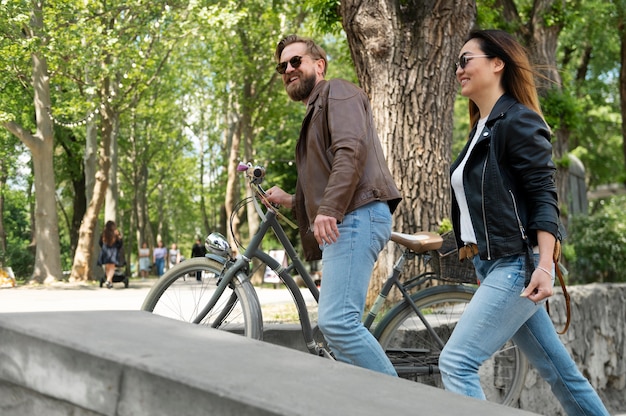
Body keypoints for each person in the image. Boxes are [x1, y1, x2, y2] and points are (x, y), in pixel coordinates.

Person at [439, 29, 609, 415]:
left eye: (466, 60)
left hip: (518, 266)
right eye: (456, 63)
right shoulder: (482, 127)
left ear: (497, 63)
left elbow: (544, 199)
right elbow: (487, 206)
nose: (458, 69)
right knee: (560, 372)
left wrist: (545, 265)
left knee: (456, 362)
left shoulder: (518, 120)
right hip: (493, 264)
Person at [264, 35, 402, 376]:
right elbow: (330, 179)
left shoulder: (336, 92)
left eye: (296, 61)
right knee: (339, 327)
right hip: (350, 213)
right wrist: (295, 200)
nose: (288, 70)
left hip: (358, 214)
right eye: (282, 66)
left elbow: (350, 151)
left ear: (319, 65)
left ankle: (402, 404)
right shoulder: (316, 109)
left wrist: (328, 210)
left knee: (338, 323)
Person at [97, 220, 123, 289]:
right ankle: (108, 280)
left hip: (105, 251)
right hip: (113, 251)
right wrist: (119, 238)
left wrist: (104, 247)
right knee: (112, 268)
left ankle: (110, 283)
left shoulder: (104, 234)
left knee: (107, 268)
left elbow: (100, 243)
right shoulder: (115, 233)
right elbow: (119, 243)